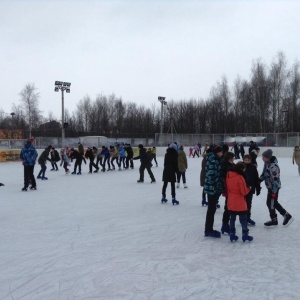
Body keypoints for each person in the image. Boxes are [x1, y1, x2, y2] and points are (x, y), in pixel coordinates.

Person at [259, 149, 294, 227]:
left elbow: (275, 180)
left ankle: (285, 215)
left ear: (268, 157)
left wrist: (274, 191)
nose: (262, 159)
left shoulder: (274, 166)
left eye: (263, 157)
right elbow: (264, 174)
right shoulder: (266, 164)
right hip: (270, 187)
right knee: (271, 203)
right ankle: (275, 219)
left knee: (272, 203)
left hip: (274, 188)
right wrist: (259, 180)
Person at [226, 162, 253, 242]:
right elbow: (244, 192)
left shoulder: (229, 175)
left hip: (231, 200)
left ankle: (232, 234)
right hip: (239, 201)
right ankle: (245, 235)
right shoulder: (240, 177)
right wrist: (249, 188)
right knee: (243, 219)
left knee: (232, 218)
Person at [203, 145, 223, 238]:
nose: (222, 154)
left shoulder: (215, 159)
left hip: (213, 188)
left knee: (212, 209)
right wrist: (216, 186)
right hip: (212, 189)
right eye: (220, 152)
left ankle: (209, 229)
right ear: (217, 152)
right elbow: (212, 176)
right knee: (211, 209)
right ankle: (208, 230)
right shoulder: (213, 160)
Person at [220, 151, 235, 235]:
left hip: (229, 189)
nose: (233, 159)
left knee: (228, 206)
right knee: (228, 207)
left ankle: (226, 224)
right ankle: (225, 225)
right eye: (233, 157)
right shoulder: (227, 166)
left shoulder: (229, 164)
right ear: (230, 158)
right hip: (229, 189)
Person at [243, 154, 261, 226]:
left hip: (250, 188)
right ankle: (243, 218)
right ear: (243, 160)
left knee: (249, 203)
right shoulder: (241, 167)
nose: (247, 161)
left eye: (248, 160)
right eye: (246, 160)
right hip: (242, 189)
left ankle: (248, 217)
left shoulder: (253, 168)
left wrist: (258, 188)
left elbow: (256, 178)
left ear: (250, 160)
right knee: (242, 204)